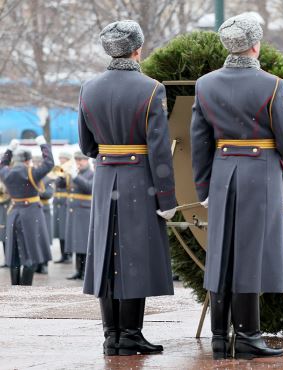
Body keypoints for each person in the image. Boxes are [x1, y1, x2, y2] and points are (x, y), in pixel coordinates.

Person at [191, 13, 283, 359]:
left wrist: (204, 188)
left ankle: (220, 337)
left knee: (221, 252)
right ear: (256, 45)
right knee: (251, 254)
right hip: (260, 172)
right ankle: (249, 335)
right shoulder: (272, 85)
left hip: (223, 172)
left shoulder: (205, 84)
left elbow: (199, 142)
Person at [78, 20, 177, 356]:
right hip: (140, 178)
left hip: (106, 176)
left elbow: (86, 146)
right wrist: (167, 197)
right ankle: (131, 333)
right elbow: (160, 150)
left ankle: (112, 335)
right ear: (138, 49)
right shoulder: (151, 89)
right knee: (135, 256)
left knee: (107, 255)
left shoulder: (88, 88)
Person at [0, 137, 54, 285]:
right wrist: (43, 144)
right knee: (31, 253)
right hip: (31, 214)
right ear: (28, 161)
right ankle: (25, 288)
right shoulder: (32, 172)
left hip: (14, 213)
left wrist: (9, 150)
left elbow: (2, 163)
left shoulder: (7, 172)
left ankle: (15, 286)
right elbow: (50, 163)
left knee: (15, 253)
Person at [63, 151, 93, 280]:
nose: (79, 162)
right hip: (75, 212)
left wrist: (75, 177)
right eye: (77, 160)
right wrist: (62, 176)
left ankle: (86, 272)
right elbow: (61, 186)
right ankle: (78, 271)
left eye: (81, 160)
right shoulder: (77, 173)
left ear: (87, 161)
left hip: (84, 212)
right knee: (76, 243)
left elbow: (89, 187)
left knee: (84, 244)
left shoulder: (92, 173)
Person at [32, 155, 54, 275]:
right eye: (34, 163)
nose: (36, 165)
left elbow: (49, 194)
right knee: (35, 239)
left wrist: (37, 191)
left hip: (44, 210)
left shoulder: (48, 178)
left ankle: (44, 264)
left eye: (38, 163)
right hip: (33, 211)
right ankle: (37, 263)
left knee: (44, 239)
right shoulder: (30, 177)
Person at [53, 151, 73, 264]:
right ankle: (63, 255)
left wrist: (62, 174)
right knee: (60, 231)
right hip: (58, 204)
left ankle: (68, 255)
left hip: (66, 204)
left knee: (66, 230)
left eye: (63, 158)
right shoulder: (59, 169)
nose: (61, 160)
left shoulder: (69, 171)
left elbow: (64, 183)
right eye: (60, 158)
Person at [0, 179, 10, 267]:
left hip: (8, 212)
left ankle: (10, 260)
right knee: (3, 238)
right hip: (1, 212)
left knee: (9, 238)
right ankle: (7, 260)